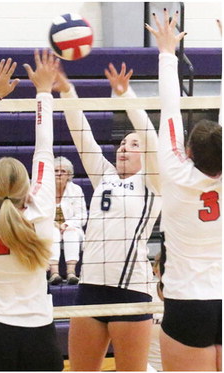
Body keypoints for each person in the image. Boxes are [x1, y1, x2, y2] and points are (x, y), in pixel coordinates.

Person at [54, 62, 161, 371]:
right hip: (90, 287)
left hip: (132, 291)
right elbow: (82, 135)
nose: (124, 149)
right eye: (122, 144)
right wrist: (67, 91)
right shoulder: (105, 176)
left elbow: (150, 136)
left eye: (133, 145)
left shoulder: (153, 181)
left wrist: (126, 95)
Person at [0, 50, 64, 371]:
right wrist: (44, 91)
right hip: (40, 334)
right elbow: (44, 150)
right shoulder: (41, 208)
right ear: (26, 187)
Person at [146, 10, 222, 371]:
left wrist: (166, 52)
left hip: (187, 303)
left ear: (188, 152)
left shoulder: (176, 172)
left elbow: (170, 108)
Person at [49, 156, 88, 285]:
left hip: (71, 228)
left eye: (63, 171)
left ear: (69, 175)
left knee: (70, 232)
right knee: (52, 232)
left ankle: (71, 273)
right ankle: (54, 273)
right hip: (49, 228)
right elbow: (39, 213)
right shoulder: (45, 189)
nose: (59, 173)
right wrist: (52, 224)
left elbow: (82, 215)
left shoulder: (76, 190)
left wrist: (66, 224)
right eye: (56, 171)